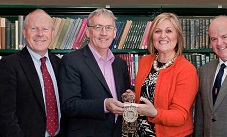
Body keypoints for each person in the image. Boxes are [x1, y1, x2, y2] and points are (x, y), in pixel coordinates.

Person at [59, 8, 130, 137]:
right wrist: (104, 105)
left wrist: (128, 96)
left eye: (108, 28)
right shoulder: (71, 61)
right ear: (87, 31)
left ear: (114, 33)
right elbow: (69, 104)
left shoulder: (121, 64)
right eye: (98, 27)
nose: (104, 33)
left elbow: (124, 97)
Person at [0, 9, 64, 137]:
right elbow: (5, 116)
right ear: (24, 32)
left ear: (52, 33)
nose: (40, 34)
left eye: (45, 29)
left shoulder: (61, 64)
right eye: (34, 28)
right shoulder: (8, 65)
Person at [133, 12, 199, 136]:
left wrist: (154, 113)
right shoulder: (145, 61)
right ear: (152, 36)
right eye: (158, 31)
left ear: (178, 36)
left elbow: (180, 116)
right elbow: (146, 95)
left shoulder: (187, 69)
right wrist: (131, 96)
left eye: (169, 31)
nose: (163, 36)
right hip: (141, 133)